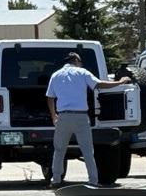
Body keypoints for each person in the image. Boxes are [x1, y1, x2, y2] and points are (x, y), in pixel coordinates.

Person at [45, 52, 130, 187]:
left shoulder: (56, 75)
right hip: (80, 116)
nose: (81, 64)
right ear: (76, 60)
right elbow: (99, 84)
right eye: (80, 62)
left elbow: (50, 97)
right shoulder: (82, 72)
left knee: (59, 149)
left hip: (63, 116)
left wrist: (53, 115)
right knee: (87, 150)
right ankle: (93, 181)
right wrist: (119, 82)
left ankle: (56, 179)